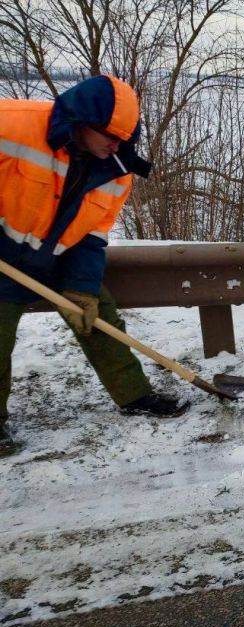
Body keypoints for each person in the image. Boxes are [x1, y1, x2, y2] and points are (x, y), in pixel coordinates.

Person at [0, 75, 189, 458]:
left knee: (97, 316)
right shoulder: (12, 123)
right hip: (4, 256)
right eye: (108, 135)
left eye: (124, 137)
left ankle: (136, 396)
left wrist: (82, 287)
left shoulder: (117, 171)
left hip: (57, 257)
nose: (116, 145)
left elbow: (92, 235)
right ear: (80, 121)